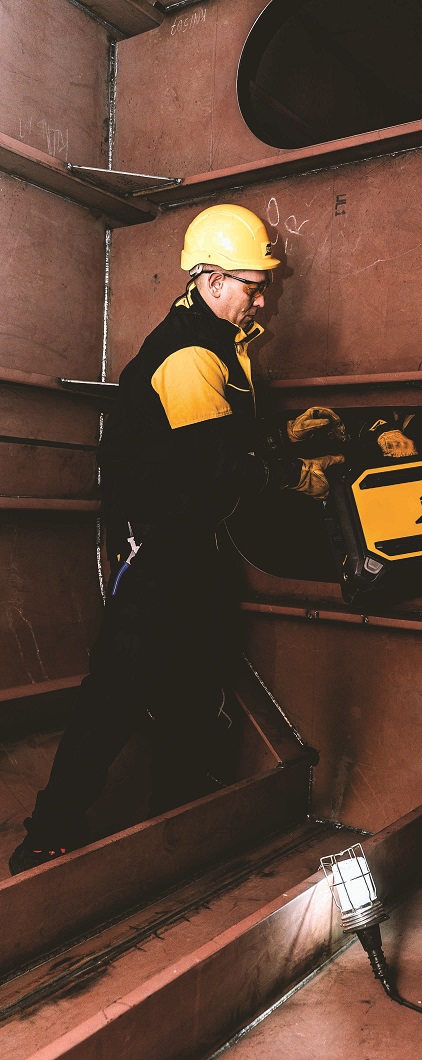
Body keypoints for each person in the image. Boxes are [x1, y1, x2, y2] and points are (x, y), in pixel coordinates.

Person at [9, 204, 344, 875]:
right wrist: (295, 474)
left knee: (196, 679)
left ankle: (181, 817)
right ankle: (48, 834)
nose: (262, 300)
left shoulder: (217, 342)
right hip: (159, 547)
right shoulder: (190, 355)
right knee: (118, 687)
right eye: (254, 286)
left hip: (190, 543)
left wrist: (283, 434)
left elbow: (217, 436)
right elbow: (214, 468)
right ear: (213, 281)